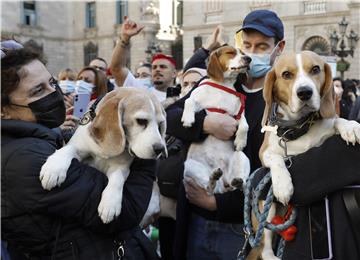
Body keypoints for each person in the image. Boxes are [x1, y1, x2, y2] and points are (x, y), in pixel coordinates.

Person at [1, 41, 159, 259]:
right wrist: (144, 141)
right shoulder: (24, 161)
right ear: (3, 111)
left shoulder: (39, 139)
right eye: (38, 90)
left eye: (51, 82)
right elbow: (126, 210)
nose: (53, 92)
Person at [166, 10, 285, 260]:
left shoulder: (279, 101)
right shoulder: (217, 85)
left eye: (262, 46)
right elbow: (170, 117)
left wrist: (218, 204)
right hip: (197, 220)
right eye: (247, 45)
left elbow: (274, 174)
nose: (252, 52)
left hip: (243, 226)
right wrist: (205, 123)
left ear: (279, 48)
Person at [109, 17, 177, 102]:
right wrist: (125, 38)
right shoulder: (141, 92)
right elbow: (116, 68)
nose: (158, 70)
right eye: (154, 67)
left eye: (163, 67)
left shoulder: (185, 97)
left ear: (174, 73)